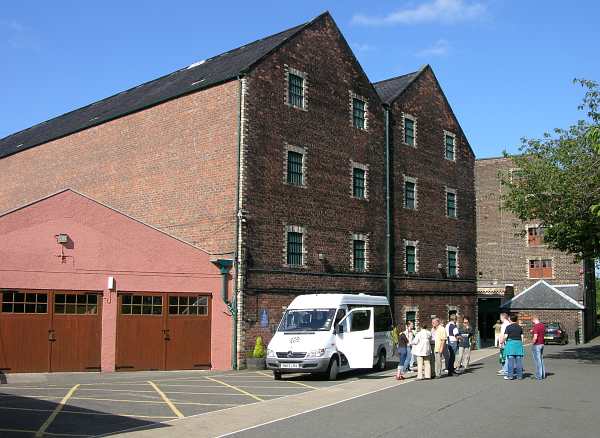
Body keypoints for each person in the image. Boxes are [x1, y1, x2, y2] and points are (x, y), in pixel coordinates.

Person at [503, 314, 524, 380]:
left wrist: (502, 341)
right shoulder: (519, 327)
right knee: (519, 361)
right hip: (518, 344)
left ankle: (510, 376)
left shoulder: (508, 327)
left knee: (510, 361)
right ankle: (520, 376)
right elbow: (522, 337)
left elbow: (505, 336)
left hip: (510, 344)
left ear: (510, 319)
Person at [531, 315, 546, 380]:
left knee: (537, 361)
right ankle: (543, 374)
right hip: (542, 343)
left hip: (537, 344)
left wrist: (533, 342)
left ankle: (539, 375)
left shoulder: (536, 326)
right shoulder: (543, 325)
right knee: (541, 359)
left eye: (532, 321)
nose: (532, 322)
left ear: (534, 319)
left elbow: (535, 337)